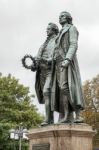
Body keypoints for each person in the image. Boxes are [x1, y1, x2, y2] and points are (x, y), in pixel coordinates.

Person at [51, 11, 85, 123]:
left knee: (67, 87)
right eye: (59, 16)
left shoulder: (72, 28)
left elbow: (73, 44)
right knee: (61, 89)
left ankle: (78, 114)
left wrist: (67, 59)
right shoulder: (60, 33)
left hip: (67, 62)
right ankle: (66, 115)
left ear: (69, 18)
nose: (60, 18)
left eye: (63, 16)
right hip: (57, 64)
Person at [31, 23, 59, 125]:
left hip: (51, 71)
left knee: (47, 91)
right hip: (42, 72)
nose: (46, 31)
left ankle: (47, 119)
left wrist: (51, 59)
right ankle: (50, 120)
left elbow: (59, 53)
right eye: (46, 29)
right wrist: (34, 65)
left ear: (54, 30)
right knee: (46, 95)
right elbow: (38, 57)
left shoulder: (58, 40)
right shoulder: (44, 44)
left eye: (48, 29)